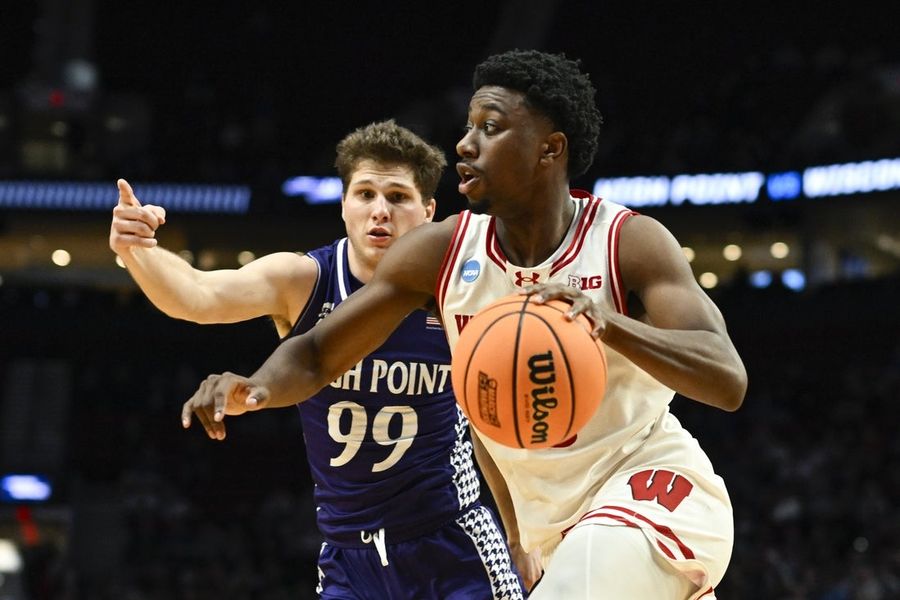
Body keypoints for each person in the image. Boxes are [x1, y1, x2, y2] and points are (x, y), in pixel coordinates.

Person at [183, 50, 748, 599]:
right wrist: (255, 388)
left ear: (550, 149)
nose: (465, 144)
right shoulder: (440, 254)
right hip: (556, 530)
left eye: (490, 128)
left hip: (651, 491)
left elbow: (727, 379)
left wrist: (609, 325)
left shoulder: (628, 243)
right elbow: (315, 354)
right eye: (469, 126)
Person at [110, 120, 526, 599]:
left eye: (397, 197)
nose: (380, 211)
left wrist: (521, 533)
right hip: (349, 554)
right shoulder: (306, 279)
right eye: (365, 194)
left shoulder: (459, 291)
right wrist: (137, 250)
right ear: (344, 204)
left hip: (452, 542)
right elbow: (198, 295)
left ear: (429, 211)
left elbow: (494, 426)